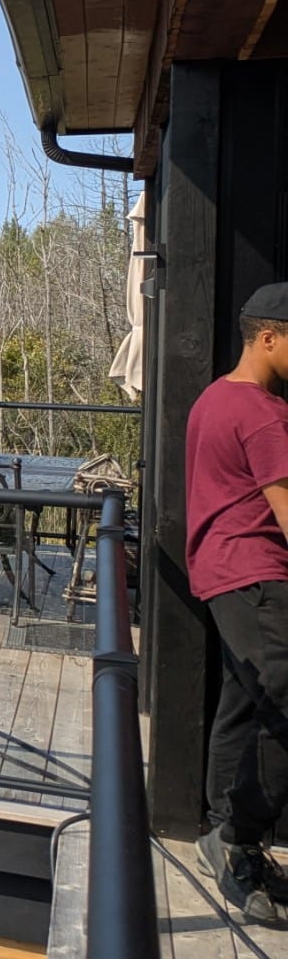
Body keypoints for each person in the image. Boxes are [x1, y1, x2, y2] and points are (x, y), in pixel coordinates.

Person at [186, 281, 288, 925]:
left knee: (245, 700)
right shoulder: (264, 414)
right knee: (282, 701)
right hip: (256, 572)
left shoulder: (213, 398)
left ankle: (222, 833)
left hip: (221, 572)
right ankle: (239, 839)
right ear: (269, 337)